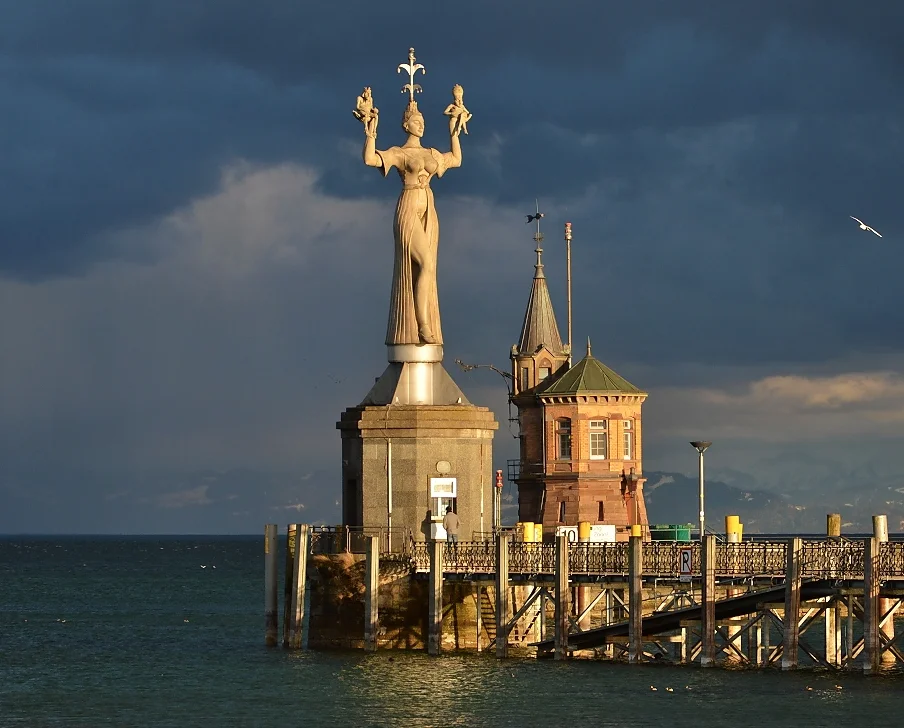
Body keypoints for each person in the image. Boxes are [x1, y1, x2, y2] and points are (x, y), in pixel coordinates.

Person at [360, 98, 464, 346]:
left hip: (428, 208)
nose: (421, 125)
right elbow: (370, 160)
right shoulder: (399, 152)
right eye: (416, 121)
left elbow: (456, 159)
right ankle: (423, 326)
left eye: (423, 122)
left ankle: (424, 323)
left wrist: (453, 130)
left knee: (428, 267)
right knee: (425, 263)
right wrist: (370, 130)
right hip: (408, 206)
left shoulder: (431, 153)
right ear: (406, 124)